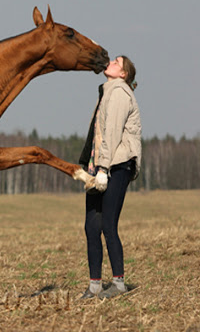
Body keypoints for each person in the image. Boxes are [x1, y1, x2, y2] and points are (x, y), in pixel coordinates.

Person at [78, 55, 142, 299]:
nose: (111, 62)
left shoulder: (120, 93)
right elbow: (97, 134)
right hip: (102, 165)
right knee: (91, 226)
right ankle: (95, 286)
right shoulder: (106, 92)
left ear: (123, 74)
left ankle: (118, 284)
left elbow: (113, 133)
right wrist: (92, 166)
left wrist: (103, 169)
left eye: (117, 61)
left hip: (117, 165)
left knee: (107, 225)